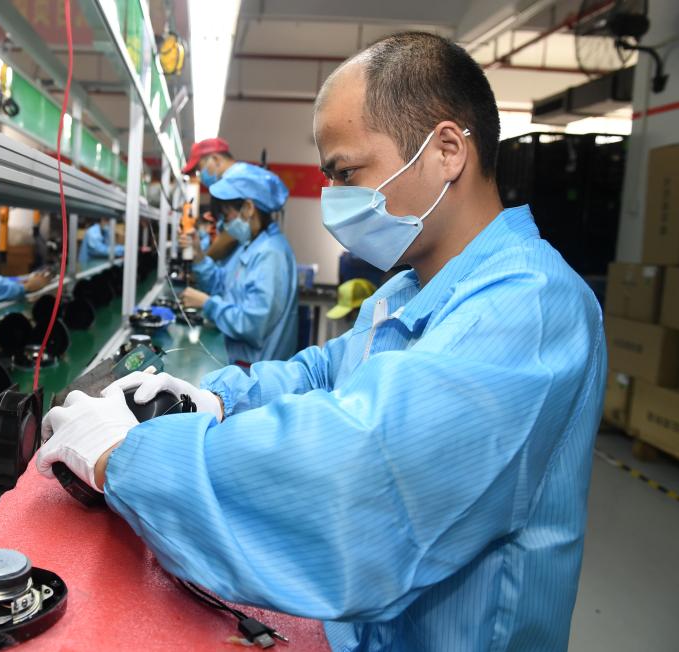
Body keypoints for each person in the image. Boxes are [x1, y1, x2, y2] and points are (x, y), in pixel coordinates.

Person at [36, 32, 605, 651]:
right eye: (329, 178)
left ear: (447, 151)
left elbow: (360, 476)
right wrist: (218, 401)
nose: (334, 200)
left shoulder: (531, 306)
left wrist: (125, 458)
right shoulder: (409, 289)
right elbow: (322, 373)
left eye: (347, 173)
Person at [176, 165, 296, 365]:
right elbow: (224, 286)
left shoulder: (270, 255)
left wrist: (208, 304)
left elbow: (253, 324)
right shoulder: (252, 245)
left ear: (248, 208)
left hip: (257, 372)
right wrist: (198, 256)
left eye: (226, 215)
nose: (225, 225)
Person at [181, 137, 250, 264]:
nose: (199, 177)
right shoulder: (224, 187)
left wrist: (202, 257)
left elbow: (232, 235)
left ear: (216, 159)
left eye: (199, 169)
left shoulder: (239, 182)